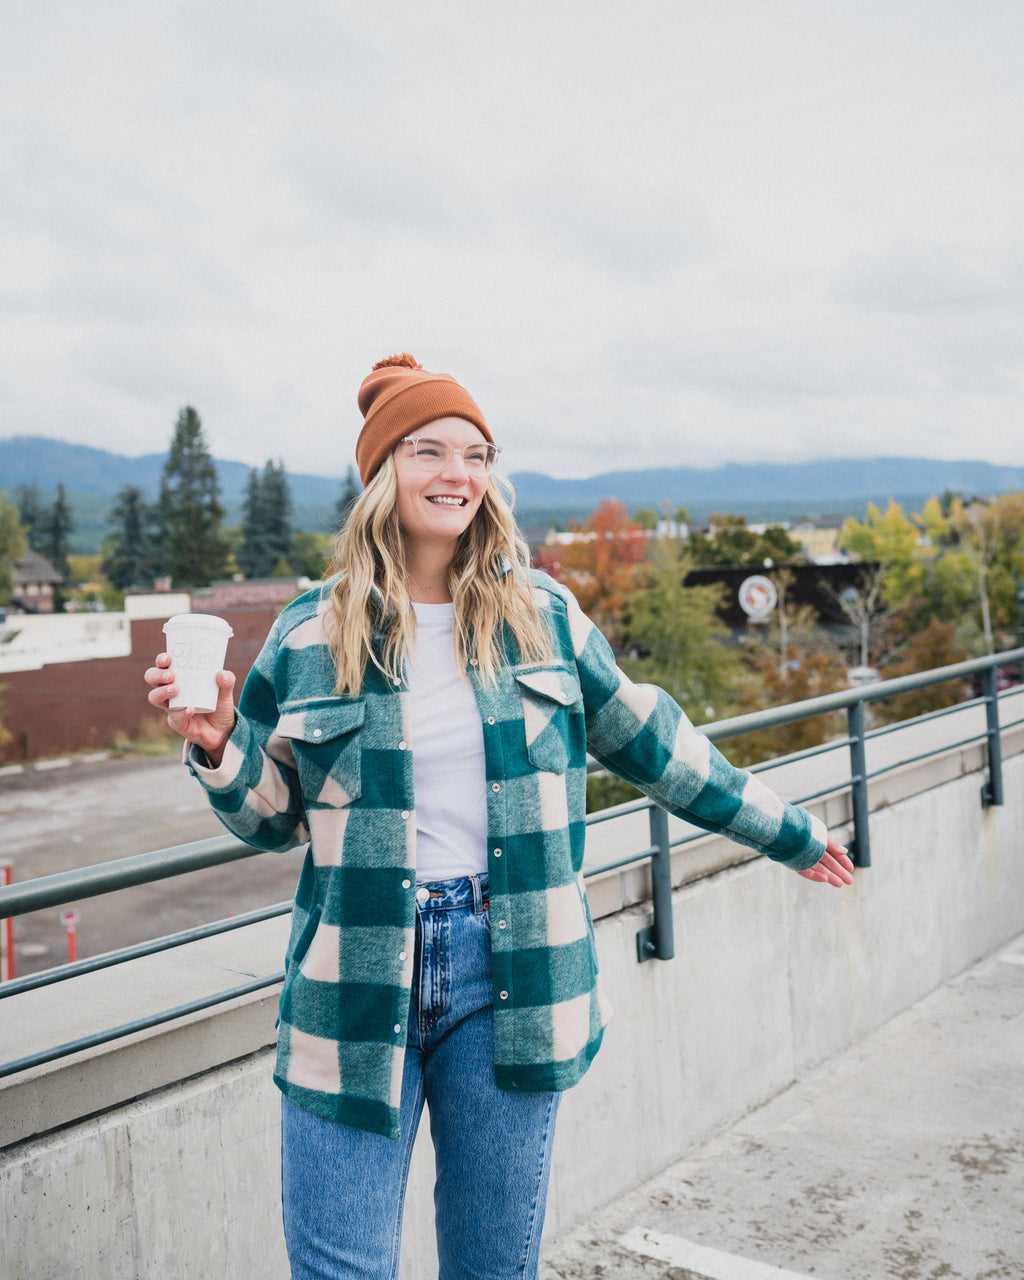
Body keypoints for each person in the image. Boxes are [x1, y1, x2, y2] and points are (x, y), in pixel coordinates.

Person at [146, 353, 853, 1280]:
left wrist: (789, 833)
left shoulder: (543, 618)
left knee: (490, 1268)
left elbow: (661, 746)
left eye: (476, 453)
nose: (458, 474)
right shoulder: (311, 633)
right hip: (352, 980)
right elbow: (276, 817)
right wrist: (217, 744)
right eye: (429, 450)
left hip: (510, 968)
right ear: (380, 473)